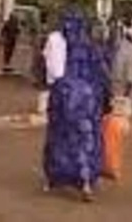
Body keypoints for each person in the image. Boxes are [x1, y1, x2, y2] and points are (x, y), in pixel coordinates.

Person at [42, 12, 108, 202]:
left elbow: (54, 71)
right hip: (88, 102)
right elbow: (102, 73)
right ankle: (86, 181)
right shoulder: (89, 45)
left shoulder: (56, 40)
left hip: (63, 99)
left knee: (59, 139)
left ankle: (54, 179)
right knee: (86, 141)